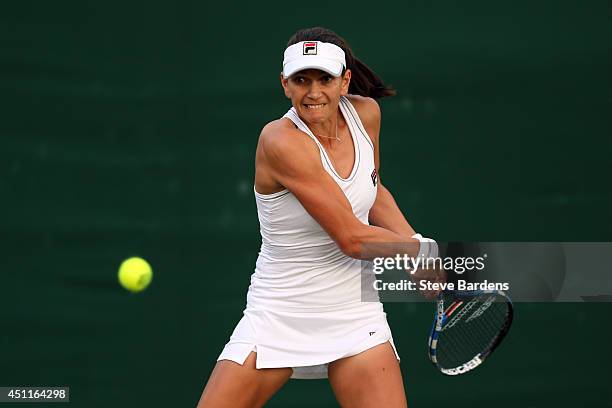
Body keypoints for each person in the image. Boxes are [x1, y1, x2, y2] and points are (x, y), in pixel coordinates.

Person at [197, 27, 442, 408]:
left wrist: (415, 243)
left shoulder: (367, 115)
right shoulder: (279, 141)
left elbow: (372, 190)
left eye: (324, 78)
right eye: (301, 80)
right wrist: (418, 252)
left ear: (344, 81)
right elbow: (351, 238)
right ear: (285, 85)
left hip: (354, 315)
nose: (313, 92)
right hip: (280, 311)